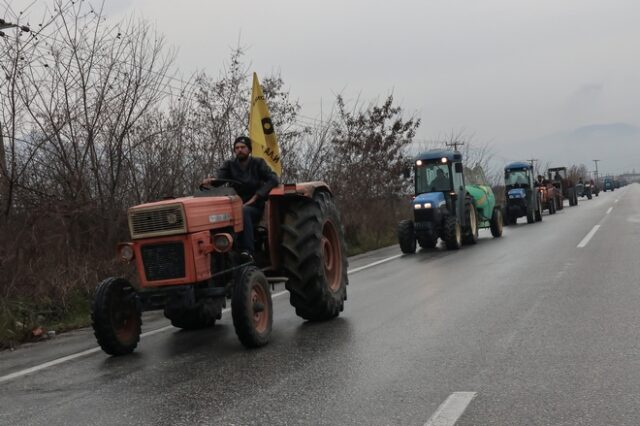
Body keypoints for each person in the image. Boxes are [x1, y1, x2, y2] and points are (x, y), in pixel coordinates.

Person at [202, 136, 279, 258]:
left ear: (249, 150)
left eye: (243, 147)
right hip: (234, 205)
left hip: (254, 206)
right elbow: (219, 179)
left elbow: (273, 179)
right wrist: (210, 181)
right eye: (237, 148)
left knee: (244, 211)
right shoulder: (230, 164)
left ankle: (248, 251)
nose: (239, 150)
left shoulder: (258, 163)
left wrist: (258, 195)